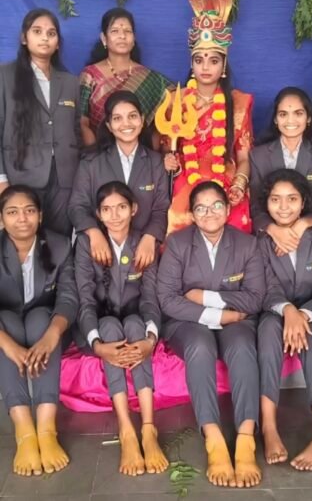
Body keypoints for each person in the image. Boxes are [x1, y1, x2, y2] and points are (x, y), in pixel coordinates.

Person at [157, 181, 265, 488]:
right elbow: (167, 299)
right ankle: (213, 436)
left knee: (242, 346)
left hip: (237, 322)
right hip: (187, 322)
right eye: (201, 208)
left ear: (228, 209)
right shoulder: (178, 244)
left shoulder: (246, 244)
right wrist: (219, 314)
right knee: (199, 346)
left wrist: (203, 296)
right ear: (192, 215)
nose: (209, 213)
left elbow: (255, 297)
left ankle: (246, 437)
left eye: (216, 205)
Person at [74, 180, 168, 476]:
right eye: (106, 209)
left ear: (134, 209)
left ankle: (149, 429)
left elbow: (151, 298)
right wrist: (96, 344)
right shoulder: (87, 244)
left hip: (135, 318)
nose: (114, 216)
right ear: (98, 214)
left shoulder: (144, 243)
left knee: (135, 325)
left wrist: (151, 339)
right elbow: (85, 299)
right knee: (110, 327)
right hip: (100, 325)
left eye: (121, 208)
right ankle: (126, 428)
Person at [258, 169, 312, 471]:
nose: (283, 207)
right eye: (275, 199)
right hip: (277, 312)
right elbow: (266, 288)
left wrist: (302, 315)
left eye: (291, 199)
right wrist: (288, 311)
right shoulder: (261, 241)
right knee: (267, 328)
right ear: (266, 203)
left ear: (303, 202)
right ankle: (268, 426)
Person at [0, 185, 78, 476]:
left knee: (39, 319)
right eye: (12, 212)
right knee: (7, 321)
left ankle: (46, 428)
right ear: (1, 219)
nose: (22, 219)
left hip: (46, 324)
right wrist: (7, 345)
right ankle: (24, 429)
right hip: (4, 327)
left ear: (40, 215)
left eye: (29, 211)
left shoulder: (59, 245)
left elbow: (69, 298)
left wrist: (52, 336)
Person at [164, 0, 253, 234]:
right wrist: (169, 160)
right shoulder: (176, 100)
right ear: (191, 64)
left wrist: (239, 184)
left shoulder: (238, 103)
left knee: (236, 222)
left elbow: (243, 159)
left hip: (225, 177)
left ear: (223, 65)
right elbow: (166, 148)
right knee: (178, 220)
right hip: (186, 177)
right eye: (199, 60)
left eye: (213, 60)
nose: (205, 67)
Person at [0, 8, 80, 237]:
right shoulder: (5, 76)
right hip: (21, 178)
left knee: (60, 243)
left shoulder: (70, 81)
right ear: (24, 38)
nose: (45, 38)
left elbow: (76, 130)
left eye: (51, 33)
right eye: (37, 31)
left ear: (58, 43)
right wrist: (2, 181)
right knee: (22, 243)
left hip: (65, 181)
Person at [68, 90, 169, 271]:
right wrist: (94, 233)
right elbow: (77, 206)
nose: (126, 124)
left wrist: (150, 237)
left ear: (142, 120)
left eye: (132, 116)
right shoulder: (91, 162)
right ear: (108, 125)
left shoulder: (155, 162)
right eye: (117, 118)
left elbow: (161, 208)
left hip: (142, 255)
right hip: (99, 254)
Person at [250, 86, 312, 254]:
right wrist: (274, 230)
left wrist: (303, 224)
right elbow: (255, 206)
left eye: (298, 113)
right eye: (283, 114)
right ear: (275, 119)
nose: (290, 121)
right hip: (271, 242)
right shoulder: (258, 156)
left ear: (309, 118)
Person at [80, 7, 174, 147]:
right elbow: (82, 123)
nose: (122, 36)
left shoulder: (151, 79)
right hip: (99, 154)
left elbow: (175, 102)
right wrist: (95, 155)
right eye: (115, 31)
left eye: (127, 31)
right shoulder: (90, 75)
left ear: (134, 38)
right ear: (104, 38)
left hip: (140, 155)